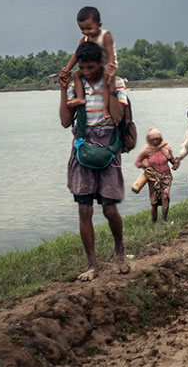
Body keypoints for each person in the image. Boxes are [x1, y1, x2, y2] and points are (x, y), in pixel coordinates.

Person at [59, 41, 129, 281]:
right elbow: (66, 122)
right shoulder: (75, 86)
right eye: (83, 68)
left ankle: (120, 250)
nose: (87, 73)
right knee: (84, 208)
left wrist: (109, 86)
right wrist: (62, 89)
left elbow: (119, 118)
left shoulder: (117, 83)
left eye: (91, 67)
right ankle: (92, 265)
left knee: (109, 209)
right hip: (82, 148)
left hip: (108, 148)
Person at [62, 6, 117, 120]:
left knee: (106, 83)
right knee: (76, 74)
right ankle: (81, 98)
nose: (86, 32)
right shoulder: (84, 40)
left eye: (89, 28)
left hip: (106, 67)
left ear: (99, 24)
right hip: (91, 68)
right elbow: (76, 55)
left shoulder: (105, 36)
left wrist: (110, 67)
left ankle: (105, 108)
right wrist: (67, 68)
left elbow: (110, 52)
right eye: (82, 29)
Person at [133, 127, 176, 223]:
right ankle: (154, 221)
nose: (155, 141)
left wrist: (175, 164)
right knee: (154, 203)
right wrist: (146, 166)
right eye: (153, 139)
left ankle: (164, 220)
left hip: (166, 177)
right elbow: (137, 162)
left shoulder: (165, 148)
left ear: (160, 138)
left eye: (157, 139)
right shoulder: (146, 151)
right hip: (153, 179)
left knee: (165, 197)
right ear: (149, 140)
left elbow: (172, 159)